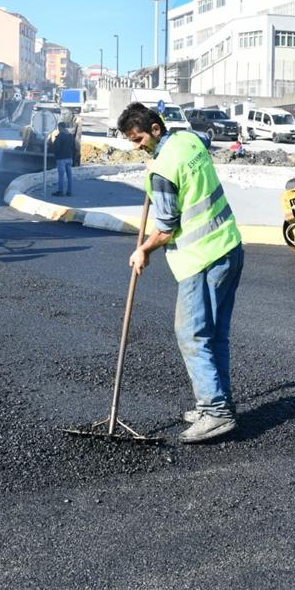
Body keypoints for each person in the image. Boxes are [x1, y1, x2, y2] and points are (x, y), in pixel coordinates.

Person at [117, 102, 243, 444]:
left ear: (155, 129)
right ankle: (217, 402)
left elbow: (167, 228)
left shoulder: (161, 171)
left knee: (191, 334)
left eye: (139, 138)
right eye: (132, 140)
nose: (136, 145)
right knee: (215, 335)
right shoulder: (188, 141)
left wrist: (143, 249)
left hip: (200, 258)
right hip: (230, 246)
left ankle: (215, 411)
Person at [49, 120, 76, 196]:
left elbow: (56, 147)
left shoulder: (60, 136)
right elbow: (74, 148)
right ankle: (69, 192)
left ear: (60, 127)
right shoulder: (70, 136)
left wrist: (55, 154)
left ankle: (60, 191)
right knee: (69, 176)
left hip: (61, 159)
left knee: (61, 176)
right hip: (69, 158)